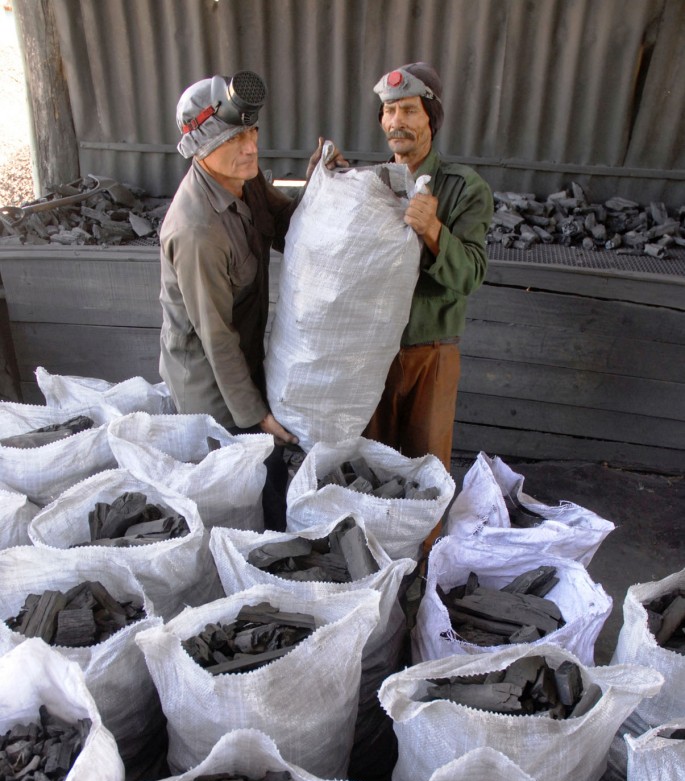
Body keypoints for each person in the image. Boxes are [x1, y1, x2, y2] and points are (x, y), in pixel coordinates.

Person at [159, 71, 343, 526]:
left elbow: (287, 228)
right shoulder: (197, 230)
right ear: (199, 147)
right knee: (234, 484)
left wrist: (322, 185)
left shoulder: (246, 179)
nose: (250, 147)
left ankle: (275, 537)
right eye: (233, 138)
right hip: (207, 377)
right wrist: (256, 414)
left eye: (251, 132)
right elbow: (215, 337)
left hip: (243, 353)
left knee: (268, 470)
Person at [362, 62, 494, 474]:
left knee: (426, 474)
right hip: (372, 354)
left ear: (431, 120)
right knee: (368, 469)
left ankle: (427, 524)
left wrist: (434, 231)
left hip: (430, 354)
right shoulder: (369, 185)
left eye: (409, 110)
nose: (396, 121)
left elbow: (470, 274)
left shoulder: (464, 188)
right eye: (389, 111)